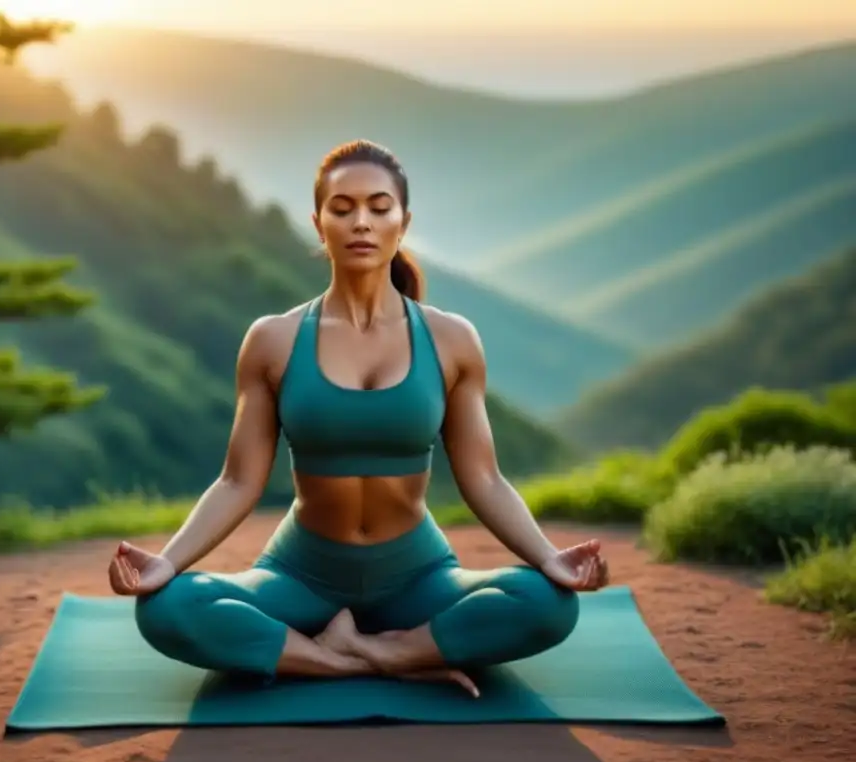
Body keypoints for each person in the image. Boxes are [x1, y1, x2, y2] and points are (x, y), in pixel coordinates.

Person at [108, 139, 609, 698]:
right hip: (301, 575)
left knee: (548, 604)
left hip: (417, 575)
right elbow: (238, 480)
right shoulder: (273, 340)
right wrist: (168, 562)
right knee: (167, 608)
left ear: (404, 221)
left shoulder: (452, 340)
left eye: (378, 207)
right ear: (318, 223)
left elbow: (484, 478)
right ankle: (357, 660)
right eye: (342, 209)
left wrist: (547, 557)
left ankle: (371, 649)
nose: (361, 223)